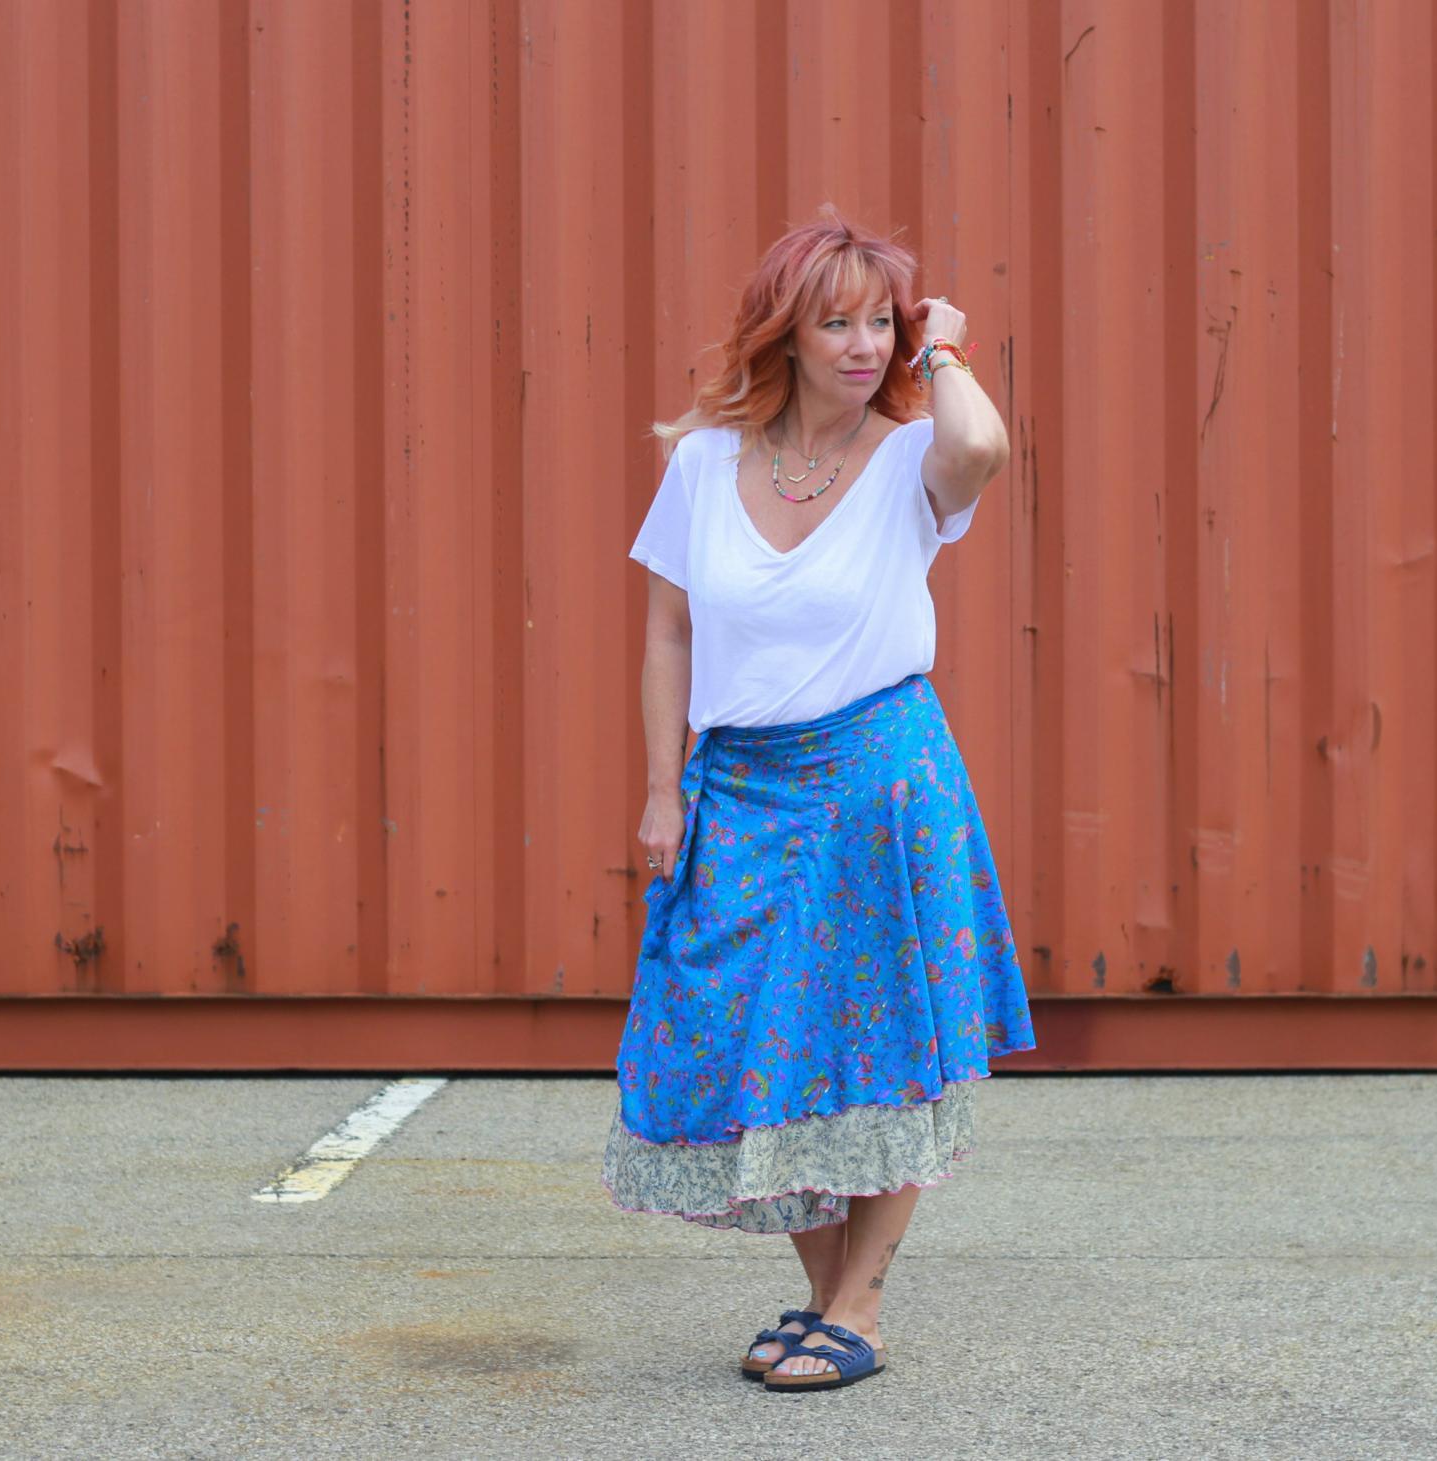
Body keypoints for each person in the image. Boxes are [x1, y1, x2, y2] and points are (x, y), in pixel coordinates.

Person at [600, 205, 1037, 1393]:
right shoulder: (702, 464)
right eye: (834, 321)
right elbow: (667, 633)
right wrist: (660, 791)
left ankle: (862, 1303)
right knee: (753, 1039)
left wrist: (942, 348)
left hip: (879, 781)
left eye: (879, 323)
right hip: (739, 785)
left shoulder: (910, 459)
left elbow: (984, 449)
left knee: (880, 1041)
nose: (860, 343)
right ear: (783, 335)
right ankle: (819, 1293)